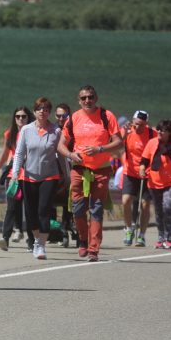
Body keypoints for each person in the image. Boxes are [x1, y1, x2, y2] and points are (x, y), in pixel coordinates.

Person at [57, 85, 121, 262]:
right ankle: (83, 240)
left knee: (97, 209)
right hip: (79, 169)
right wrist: (71, 154)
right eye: (83, 98)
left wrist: (100, 149)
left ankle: (93, 249)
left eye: (90, 97)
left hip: (101, 169)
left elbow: (118, 142)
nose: (87, 100)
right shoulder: (74, 118)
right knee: (78, 210)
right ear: (79, 100)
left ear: (96, 98)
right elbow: (61, 145)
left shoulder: (107, 116)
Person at [6, 97, 61, 260]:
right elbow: (19, 153)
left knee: (43, 210)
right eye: (39, 109)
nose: (42, 111)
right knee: (31, 214)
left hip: (49, 176)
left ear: (49, 112)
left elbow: (62, 155)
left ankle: (41, 245)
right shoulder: (26, 130)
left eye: (45, 109)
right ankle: (37, 239)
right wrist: (15, 174)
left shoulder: (56, 131)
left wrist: (68, 176)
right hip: (28, 177)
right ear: (35, 111)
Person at [0, 106, 33, 251]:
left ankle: (32, 240)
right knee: (11, 207)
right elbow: (5, 153)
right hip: (13, 176)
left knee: (29, 209)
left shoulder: (33, 132)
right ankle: (5, 238)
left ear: (29, 118)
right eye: (17, 116)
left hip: (30, 176)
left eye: (23, 116)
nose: (20, 119)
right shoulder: (10, 134)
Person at [139, 120, 171, 249]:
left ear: (170, 133)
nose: (160, 132)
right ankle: (161, 237)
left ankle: (169, 237)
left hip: (170, 182)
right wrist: (142, 168)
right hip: (154, 182)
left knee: (167, 206)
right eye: (159, 129)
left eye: (163, 130)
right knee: (158, 211)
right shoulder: (152, 143)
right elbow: (144, 160)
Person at [120, 110, 156, 247]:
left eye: (141, 125)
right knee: (126, 200)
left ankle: (141, 235)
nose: (137, 127)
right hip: (130, 171)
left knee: (145, 204)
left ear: (146, 124)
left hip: (147, 173)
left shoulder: (152, 135)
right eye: (135, 124)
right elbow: (116, 144)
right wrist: (124, 133)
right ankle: (129, 229)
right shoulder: (128, 131)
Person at [53, 103, 75, 247]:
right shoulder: (52, 129)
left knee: (70, 197)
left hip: (70, 166)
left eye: (64, 116)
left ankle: (65, 227)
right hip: (53, 167)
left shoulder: (74, 130)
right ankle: (53, 229)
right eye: (58, 116)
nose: (61, 119)